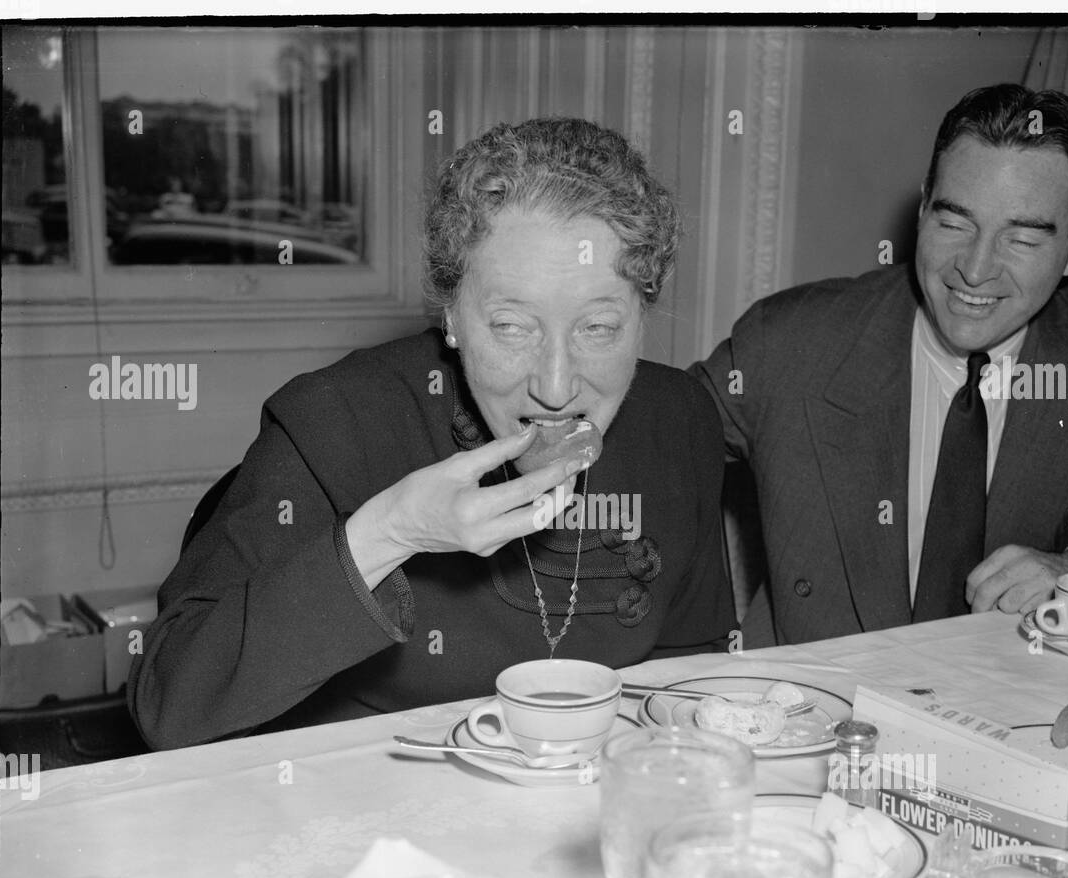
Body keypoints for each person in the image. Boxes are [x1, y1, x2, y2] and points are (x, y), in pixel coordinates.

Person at [130, 118, 735, 750]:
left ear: (644, 317)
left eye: (599, 328)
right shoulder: (336, 419)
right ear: (450, 314)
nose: (556, 388)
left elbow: (692, 662)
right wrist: (390, 531)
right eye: (510, 326)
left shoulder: (681, 419)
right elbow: (169, 707)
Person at [690, 84, 1068, 646]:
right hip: (812, 706)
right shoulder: (790, 341)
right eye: (954, 222)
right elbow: (651, 435)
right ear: (922, 209)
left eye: (1021, 238)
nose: (975, 268)